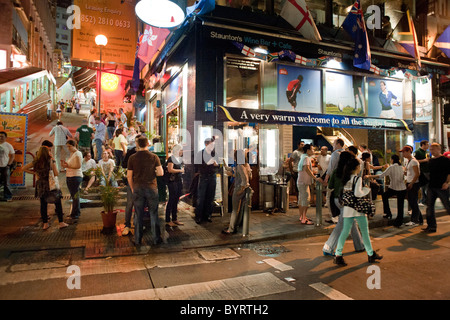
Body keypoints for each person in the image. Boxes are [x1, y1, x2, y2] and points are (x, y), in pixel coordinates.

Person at [334, 158, 383, 266]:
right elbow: (357, 194)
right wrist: (367, 189)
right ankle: (370, 254)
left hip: (347, 208)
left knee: (345, 232)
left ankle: (338, 255)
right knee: (365, 232)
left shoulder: (345, 179)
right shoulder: (357, 179)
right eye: (359, 166)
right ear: (356, 167)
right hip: (358, 209)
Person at [323, 151, 365, 256]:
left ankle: (359, 245)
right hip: (347, 201)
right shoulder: (351, 173)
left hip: (337, 200)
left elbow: (330, 186)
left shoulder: (336, 171)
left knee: (352, 223)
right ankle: (328, 247)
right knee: (341, 225)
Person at [127, 135, 164, 246]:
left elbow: (129, 176)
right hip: (151, 188)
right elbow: (161, 173)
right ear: (148, 144)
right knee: (153, 213)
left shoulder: (132, 158)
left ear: (138, 144)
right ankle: (156, 239)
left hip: (138, 188)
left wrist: (133, 188)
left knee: (138, 214)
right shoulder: (154, 157)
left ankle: (138, 239)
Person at [22, 146, 68, 230]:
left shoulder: (36, 162)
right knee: (57, 203)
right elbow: (56, 173)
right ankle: (61, 222)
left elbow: (24, 168)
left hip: (40, 185)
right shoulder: (51, 161)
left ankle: (45, 224)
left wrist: (35, 173)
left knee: (43, 204)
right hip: (50, 185)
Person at [366, 154, 406, 227]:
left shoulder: (391, 167)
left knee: (384, 196)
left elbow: (381, 175)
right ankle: (399, 221)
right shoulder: (401, 167)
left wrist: (369, 176)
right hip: (402, 188)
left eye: (391, 159)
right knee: (400, 205)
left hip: (394, 188)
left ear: (392, 160)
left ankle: (388, 213)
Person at [423, 143, 450, 233]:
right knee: (429, 207)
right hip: (431, 186)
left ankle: (431, 226)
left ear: (439, 149)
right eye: (430, 149)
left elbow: (449, 173)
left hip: (442, 187)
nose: (431, 151)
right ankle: (431, 226)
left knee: (447, 206)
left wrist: (447, 183)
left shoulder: (445, 160)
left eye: (433, 149)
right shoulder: (430, 161)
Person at [223, 149, 251, 234]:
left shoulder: (240, 166)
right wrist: (224, 163)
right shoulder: (246, 165)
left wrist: (241, 189)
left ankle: (231, 229)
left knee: (235, 210)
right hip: (244, 189)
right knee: (240, 209)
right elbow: (249, 176)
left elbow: (245, 179)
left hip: (239, 189)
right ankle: (236, 226)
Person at [194, 137, 219, 224]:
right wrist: (207, 164)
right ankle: (199, 216)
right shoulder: (200, 153)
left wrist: (216, 164)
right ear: (206, 144)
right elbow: (197, 165)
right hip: (203, 176)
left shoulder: (214, 153)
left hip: (212, 176)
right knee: (201, 197)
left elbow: (219, 164)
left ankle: (208, 215)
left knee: (210, 197)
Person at [121, 134, 141, 236]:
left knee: (140, 204)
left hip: (142, 182)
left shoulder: (146, 153)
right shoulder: (131, 152)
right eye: (137, 141)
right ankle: (127, 225)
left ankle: (137, 224)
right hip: (132, 180)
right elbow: (124, 164)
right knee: (130, 204)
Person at [297, 144, 320, 225]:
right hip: (304, 182)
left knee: (301, 200)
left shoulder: (302, 156)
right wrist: (314, 177)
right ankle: (304, 219)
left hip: (300, 181)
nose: (313, 151)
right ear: (308, 150)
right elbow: (307, 169)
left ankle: (302, 216)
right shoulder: (306, 158)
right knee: (306, 200)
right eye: (312, 149)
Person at [400, 146, 423, 226]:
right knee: (412, 201)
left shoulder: (413, 161)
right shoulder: (409, 161)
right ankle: (420, 219)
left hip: (413, 183)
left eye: (404, 152)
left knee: (413, 202)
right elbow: (411, 173)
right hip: (410, 182)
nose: (403, 153)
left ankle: (414, 220)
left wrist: (412, 183)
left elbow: (417, 174)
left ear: (409, 151)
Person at [324, 138, 345, 223]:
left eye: (334, 143)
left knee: (330, 197)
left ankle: (334, 217)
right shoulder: (346, 153)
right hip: (343, 179)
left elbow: (331, 167)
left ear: (338, 144)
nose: (333, 145)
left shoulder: (335, 154)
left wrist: (326, 177)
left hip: (335, 177)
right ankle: (340, 216)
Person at [61, 140, 83, 220]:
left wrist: (68, 166)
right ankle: (75, 212)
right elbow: (72, 164)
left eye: (69, 146)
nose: (68, 148)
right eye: (67, 146)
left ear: (74, 145)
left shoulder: (78, 153)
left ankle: (75, 214)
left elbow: (78, 166)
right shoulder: (72, 154)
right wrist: (65, 165)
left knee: (75, 196)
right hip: (70, 176)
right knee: (73, 196)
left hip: (75, 176)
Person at [165, 144, 185, 227]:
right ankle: (167, 219)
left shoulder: (179, 159)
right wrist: (180, 170)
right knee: (172, 199)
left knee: (176, 199)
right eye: (181, 150)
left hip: (178, 181)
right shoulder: (171, 158)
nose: (182, 151)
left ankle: (174, 218)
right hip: (172, 182)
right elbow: (170, 169)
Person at [413, 140, 430, 206]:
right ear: (423, 145)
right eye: (427, 144)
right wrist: (424, 160)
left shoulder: (426, 152)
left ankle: (426, 200)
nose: (428, 145)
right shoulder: (417, 152)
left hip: (427, 170)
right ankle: (423, 200)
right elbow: (414, 161)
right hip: (422, 171)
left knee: (427, 186)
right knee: (423, 186)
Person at [288, 140, 304, 205]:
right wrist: (291, 170)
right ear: (298, 145)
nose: (303, 146)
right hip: (296, 171)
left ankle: (302, 200)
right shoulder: (295, 152)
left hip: (303, 172)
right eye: (301, 144)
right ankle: (298, 200)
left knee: (302, 186)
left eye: (303, 144)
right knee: (297, 186)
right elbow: (290, 161)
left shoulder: (304, 152)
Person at [0, 131, 15, 202]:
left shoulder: (8, 145)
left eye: (2, 136)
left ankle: (8, 197)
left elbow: (12, 156)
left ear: (6, 138)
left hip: (5, 166)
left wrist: (9, 164)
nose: (0, 138)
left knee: (6, 183)